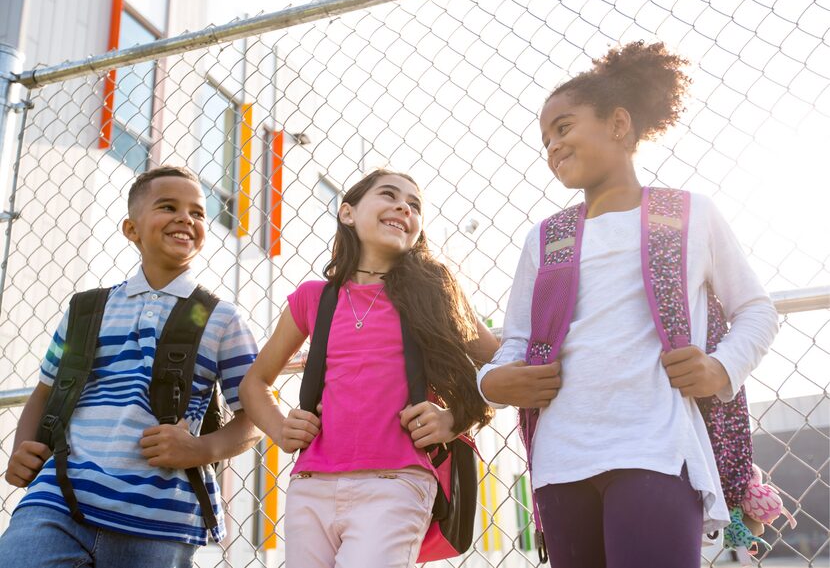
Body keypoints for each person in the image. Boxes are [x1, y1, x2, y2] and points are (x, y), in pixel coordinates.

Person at [478, 41, 779, 568]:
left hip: (655, 447)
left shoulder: (687, 215)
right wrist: (492, 381)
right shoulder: (547, 239)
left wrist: (720, 368)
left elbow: (757, 309)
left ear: (619, 124)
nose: (552, 147)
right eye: (544, 140)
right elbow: (517, 343)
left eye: (564, 128)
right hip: (560, 458)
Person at [0, 166, 261, 568]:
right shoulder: (85, 309)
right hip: (60, 497)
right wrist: (22, 449)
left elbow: (255, 418)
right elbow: (45, 391)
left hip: (160, 517)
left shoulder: (222, 319)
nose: (185, 219)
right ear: (131, 229)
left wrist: (201, 449)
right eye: (168, 206)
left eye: (198, 212)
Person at [240, 168, 498, 568]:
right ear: (347, 213)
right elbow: (255, 383)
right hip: (311, 484)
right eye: (390, 195)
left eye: (414, 205)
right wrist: (278, 428)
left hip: (396, 482)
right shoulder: (313, 298)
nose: (403, 207)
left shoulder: (436, 291)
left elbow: (500, 365)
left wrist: (455, 418)